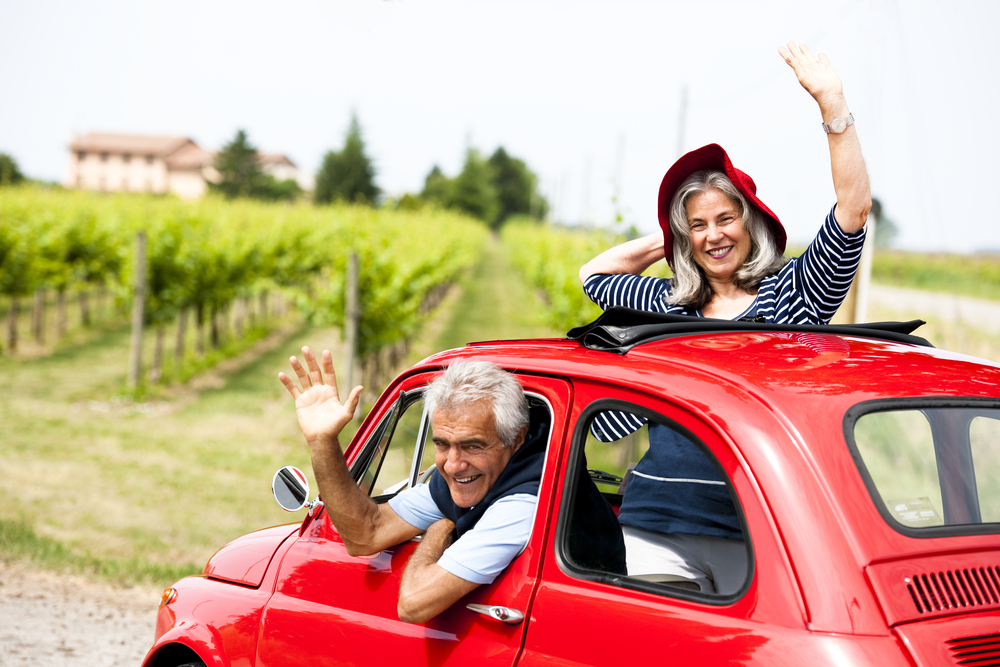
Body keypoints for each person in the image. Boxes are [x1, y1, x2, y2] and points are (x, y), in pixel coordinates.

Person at [577, 42, 871, 594]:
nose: (714, 235)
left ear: (752, 220)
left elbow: (853, 210)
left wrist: (832, 105)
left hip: (761, 530)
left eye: (726, 218)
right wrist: (672, 237)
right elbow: (594, 274)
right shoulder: (671, 305)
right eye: (699, 225)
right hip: (655, 525)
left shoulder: (795, 296)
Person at [278, 350, 536, 624]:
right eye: (442, 444)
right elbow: (366, 534)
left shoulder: (524, 504)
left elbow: (413, 604)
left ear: (516, 439)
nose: (452, 465)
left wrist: (439, 528)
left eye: (473, 446)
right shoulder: (474, 475)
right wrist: (322, 442)